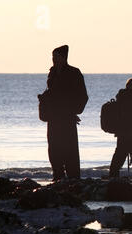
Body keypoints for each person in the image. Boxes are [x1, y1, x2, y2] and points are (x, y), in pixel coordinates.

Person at [39, 45, 88, 181]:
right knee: (54, 150)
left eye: (56, 56)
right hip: (53, 118)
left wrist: (73, 111)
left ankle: (73, 179)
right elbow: (52, 93)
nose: (54, 59)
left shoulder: (74, 72)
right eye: (53, 57)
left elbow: (83, 96)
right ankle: (58, 176)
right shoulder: (52, 73)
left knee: (70, 151)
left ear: (63, 57)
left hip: (67, 119)